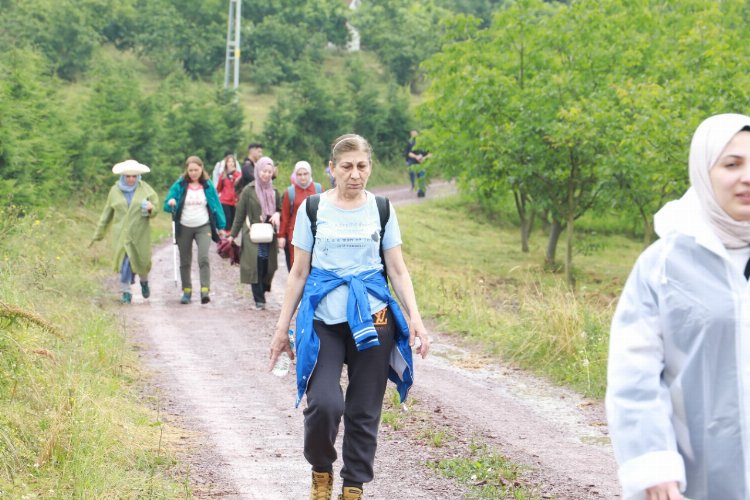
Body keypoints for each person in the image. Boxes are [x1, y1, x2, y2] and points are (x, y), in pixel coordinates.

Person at [269, 134, 430, 500]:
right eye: (347, 167)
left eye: (362, 166)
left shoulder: (383, 209)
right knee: (325, 404)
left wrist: (415, 319)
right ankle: (321, 469)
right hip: (323, 321)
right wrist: (282, 329)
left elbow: (397, 269)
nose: (355, 174)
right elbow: (298, 273)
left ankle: (353, 486)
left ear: (369, 167)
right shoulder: (312, 210)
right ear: (332, 169)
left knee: (363, 409)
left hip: (374, 320)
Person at [606, 113, 750, 500]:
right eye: (732, 164)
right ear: (704, 171)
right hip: (695, 477)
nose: (747, 177)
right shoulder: (664, 265)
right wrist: (653, 464)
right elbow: (634, 376)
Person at [91, 160, 158, 304]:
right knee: (124, 262)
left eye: (134, 176)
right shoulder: (114, 191)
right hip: (121, 233)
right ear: (123, 176)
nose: (131, 179)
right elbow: (107, 213)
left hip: (140, 233)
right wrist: (98, 233)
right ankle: (126, 291)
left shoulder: (146, 190)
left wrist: (151, 208)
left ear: (138, 176)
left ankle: (144, 282)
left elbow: (155, 209)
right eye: (128, 176)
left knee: (141, 260)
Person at [164, 156, 226, 305]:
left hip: (203, 226)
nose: (193, 173)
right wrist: (171, 202)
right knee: (185, 260)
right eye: (190, 170)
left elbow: (216, 205)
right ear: (187, 170)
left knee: (203, 258)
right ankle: (187, 291)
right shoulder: (180, 184)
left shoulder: (208, 185)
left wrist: (221, 226)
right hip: (184, 226)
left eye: (196, 170)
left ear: (201, 169)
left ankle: (205, 290)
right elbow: (167, 204)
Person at [228, 156, 281, 310]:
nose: (266, 174)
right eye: (264, 171)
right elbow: (239, 215)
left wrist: (278, 214)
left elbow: (279, 210)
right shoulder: (248, 190)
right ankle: (259, 299)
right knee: (255, 265)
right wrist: (232, 235)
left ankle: (263, 289)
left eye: (269, 172)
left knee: (269, 267)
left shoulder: (275, 191)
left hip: (269, 235)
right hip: (252, 234)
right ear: (258, 171)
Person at [278, 160, 322, 272]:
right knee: (296, 267)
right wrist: (281, 236)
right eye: (299, 174)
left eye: (305, 174)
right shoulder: (290, 192)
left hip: (316, 233)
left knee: (315, 266)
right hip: (295, 234)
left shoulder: (318, 189)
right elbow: (285, 216)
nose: (303, 177)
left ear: (310, 174)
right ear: (295, 175)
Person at [216, 153, 242, 228]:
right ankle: (225, 236)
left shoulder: (238, 175)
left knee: (234, 221)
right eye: (229, 161)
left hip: (235, 201)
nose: (231, 163)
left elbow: (240, 187)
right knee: (227, 219)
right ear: (226, 163)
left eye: (232, 161)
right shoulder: (223, 175)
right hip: (225, 200)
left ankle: (231, 237)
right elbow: (218, 188)